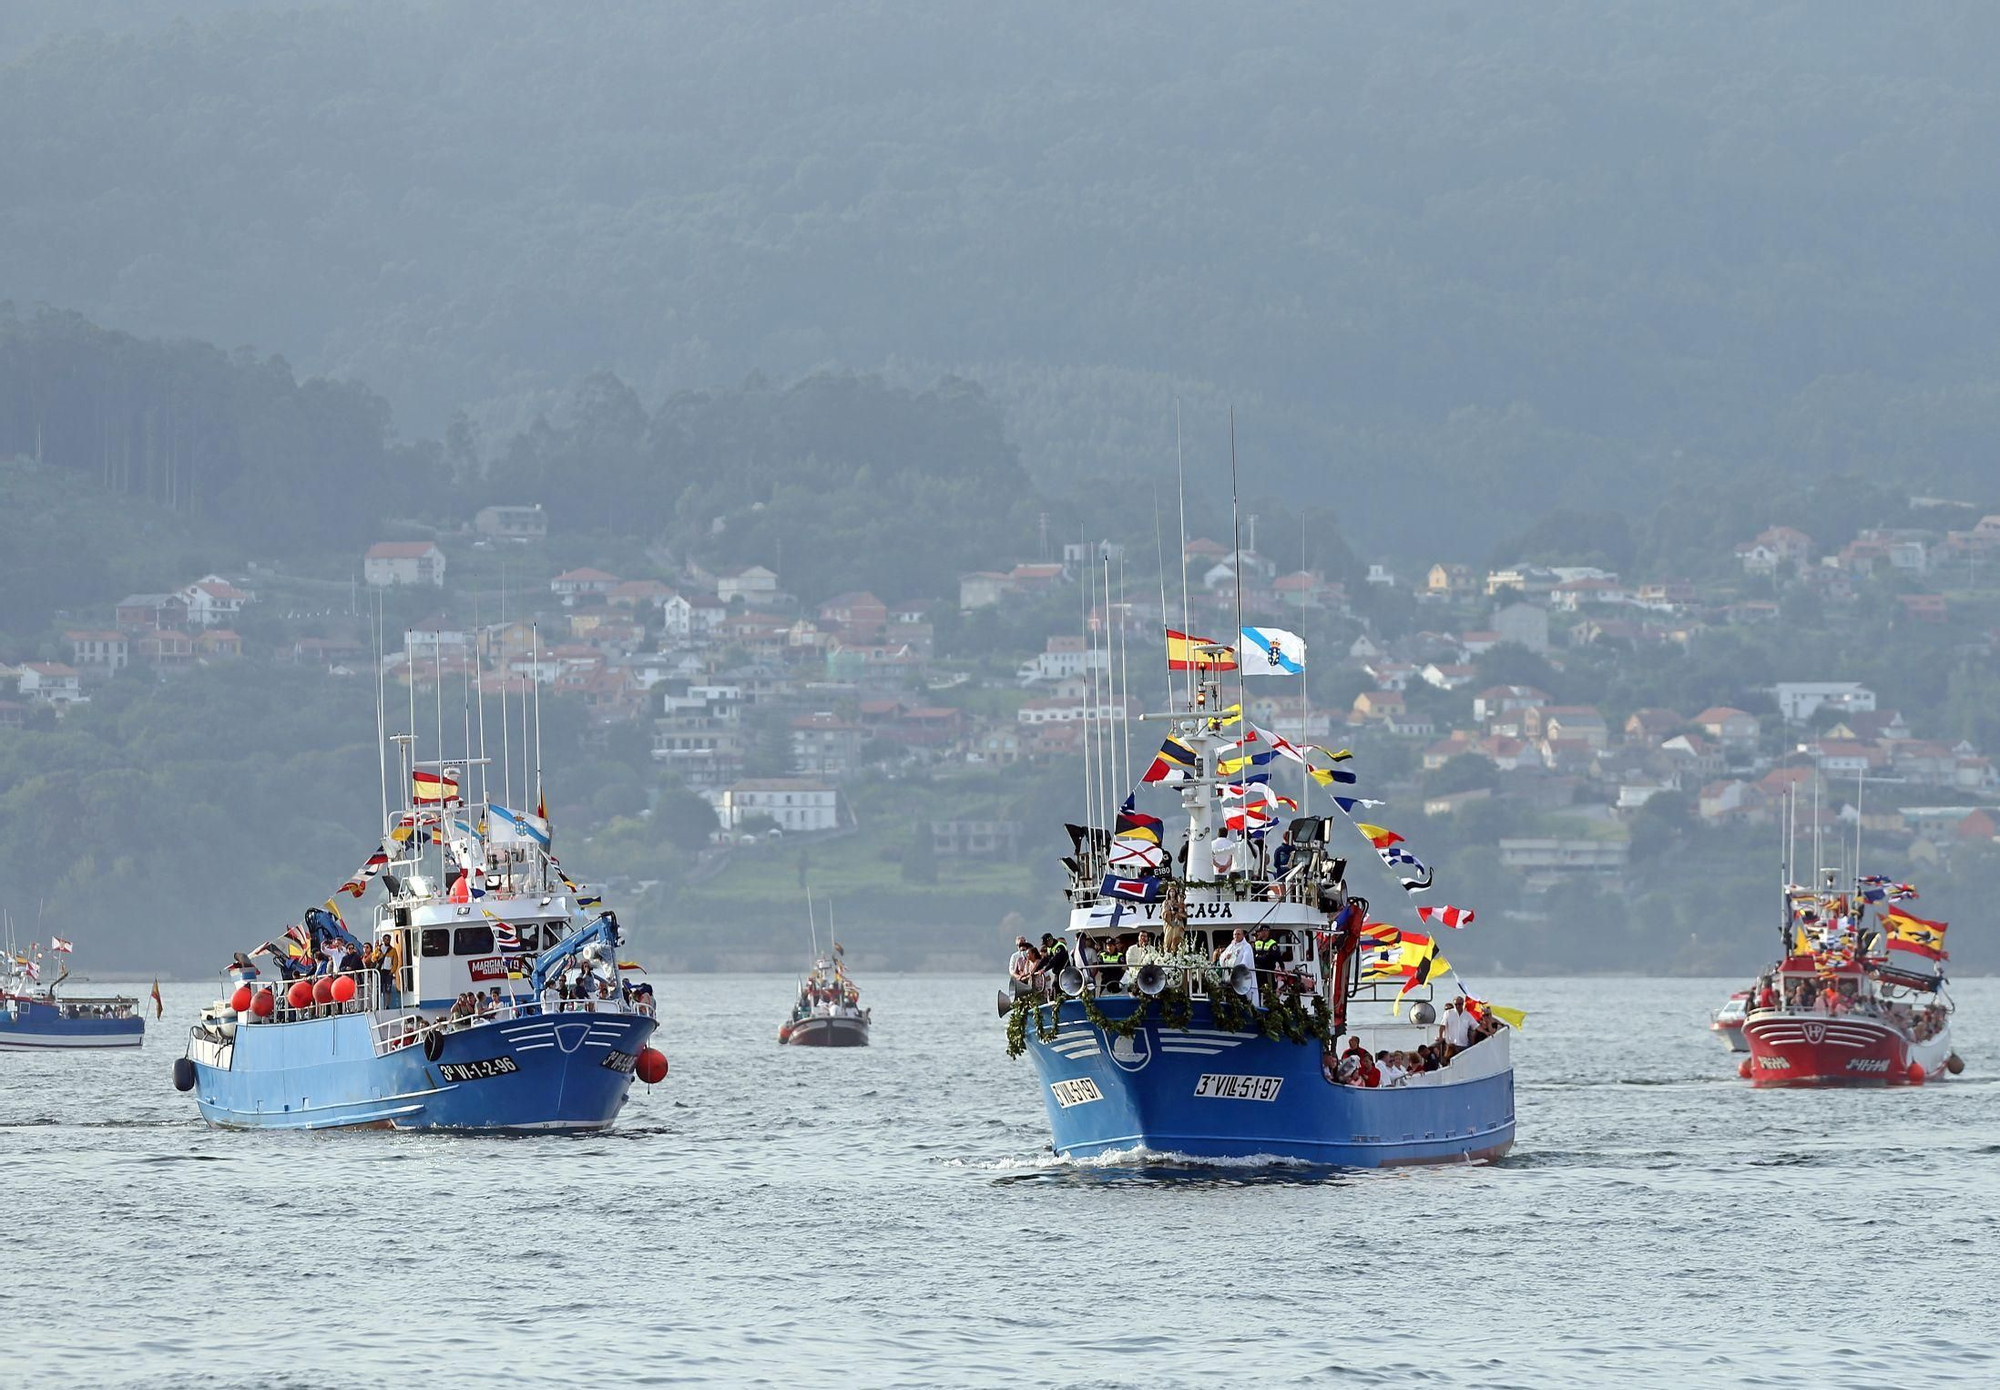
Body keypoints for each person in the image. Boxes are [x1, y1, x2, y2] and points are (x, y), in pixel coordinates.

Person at [1213, 927, 1259, 1007]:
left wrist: (1237, 971)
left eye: (1238, 934)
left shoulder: (1246, 947)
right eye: (1235, 934)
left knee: (1243, 997)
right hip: (1229, 977)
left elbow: (1246, 961)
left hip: (1241, 978)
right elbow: (1221, 958)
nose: (1236, 936)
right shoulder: (1231, 946)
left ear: (1243, 935)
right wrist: (1225, 958)